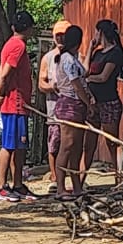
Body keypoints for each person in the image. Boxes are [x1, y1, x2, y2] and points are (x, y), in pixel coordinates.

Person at [0, 9, 37, 202]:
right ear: (29, 29)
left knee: (19, 146)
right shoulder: (17, 46)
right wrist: (0, 96)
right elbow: (3, 74)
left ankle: (17, 185)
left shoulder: (11, 43)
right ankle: (1, 187)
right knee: (8, 146)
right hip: (13, 103)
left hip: (19, 103)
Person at [82, 19, 123, 185]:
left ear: (101, 32)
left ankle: (117, 176)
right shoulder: (98, 52)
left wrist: (86, 80)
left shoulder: (115, 53)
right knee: (89, 142)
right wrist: (90, 49)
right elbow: (85, 70)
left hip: (108, 101)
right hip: (94, 103)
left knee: (111, 141)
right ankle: (81, 178)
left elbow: (103, 77)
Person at [51, 25, 92, 200]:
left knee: (76, 147)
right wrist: (88, 103)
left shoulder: (72, 59)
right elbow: (76, 84)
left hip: (77, 106)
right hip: (70, 105)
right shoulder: (66, 59)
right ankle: (60, 187)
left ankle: (76, 186)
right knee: (66, 146)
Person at [38, 20, 71, 186]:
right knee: (54, 143)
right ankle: (54, 175)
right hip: (54, 109)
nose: (61, 38)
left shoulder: (77, 56)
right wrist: (52, 86)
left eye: (64, 35)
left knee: (72, 143)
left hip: (73, 110)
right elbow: (41, 83)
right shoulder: (47, 58)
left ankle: (72, 176)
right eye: (58, 35)